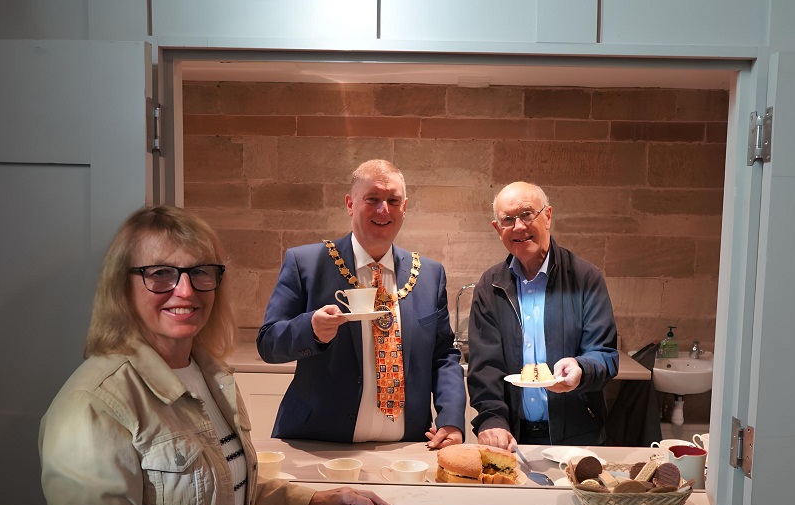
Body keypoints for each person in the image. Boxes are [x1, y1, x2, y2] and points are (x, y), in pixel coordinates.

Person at [39, 206, 391, 505]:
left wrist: (303, 500)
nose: (185, 290)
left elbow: (211, 483)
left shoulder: (209, 375)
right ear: (122, 286)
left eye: (200, 272)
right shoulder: (93, 404)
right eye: (161, 274)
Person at [257, 159, 466, 447]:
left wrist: (452, 420)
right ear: (350, 203)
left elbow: (444, 357)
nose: (384, 210)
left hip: (408, 448)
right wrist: (311, 330)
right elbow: (268, 343)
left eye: (393, 200)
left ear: (404, 207)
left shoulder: (430, 274)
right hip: (320, 444)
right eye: (373, 199)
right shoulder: (305, 262)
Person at [466, 181, 619, 449]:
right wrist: (492, 420)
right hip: (512, 440)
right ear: (497, 229)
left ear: (547, 216)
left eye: (527, 214)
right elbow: (485, 368)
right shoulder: (490, 286)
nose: (519, 227)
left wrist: (581, 369)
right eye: (508, 219)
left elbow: (605, 354)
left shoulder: (585, 279)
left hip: (578, 439)